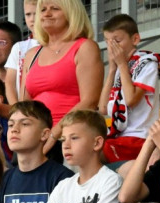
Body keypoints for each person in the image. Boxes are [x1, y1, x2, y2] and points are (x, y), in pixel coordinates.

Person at [20, 0, 103, 154]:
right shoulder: (31, 55)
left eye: (55, 9)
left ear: (72, 14)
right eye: (43, 9)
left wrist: (54, 133)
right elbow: (24, 105)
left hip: (70, 137)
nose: (46, 13)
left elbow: (90, 101)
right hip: (37, 138)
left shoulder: (85, 47)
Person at [99, 14, 160, 164]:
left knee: (93, 150)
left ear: (135, 39)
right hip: (120, 138)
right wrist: (112, 70)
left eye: (116, 41)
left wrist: (121, 65)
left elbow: (131, 100)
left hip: (140, 137)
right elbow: (102, 108)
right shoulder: (119, 68)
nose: (112, 48)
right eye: (108, 42)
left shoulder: (147, 63)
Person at [0, 101, 74, 203]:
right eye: (11, 125)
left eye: (25, 124)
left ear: (44, 134)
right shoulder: (4, 180)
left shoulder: (62, 178)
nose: (14, 130)